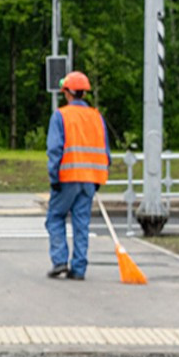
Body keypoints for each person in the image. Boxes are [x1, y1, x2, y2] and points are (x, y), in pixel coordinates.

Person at [45, 70, 110, 280]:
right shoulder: (96, 117)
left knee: (55, 217)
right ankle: (79, 269)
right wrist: (99, 176)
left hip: (67, 178)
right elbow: (105, 151)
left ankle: (60, 261)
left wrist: (53, 177)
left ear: (67, 93)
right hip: (90, 178)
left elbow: (55, 149)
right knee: (82, 223)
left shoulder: (61, 115)